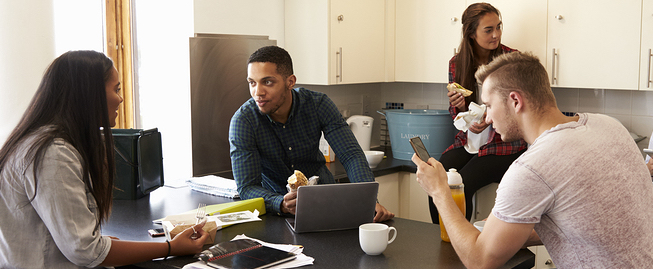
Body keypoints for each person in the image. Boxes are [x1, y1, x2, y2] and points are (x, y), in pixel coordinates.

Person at [413, 51, 653, 268]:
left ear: (515, 101)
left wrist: (439, 191)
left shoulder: (532, 168)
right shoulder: (609, 125)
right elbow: (590, 220)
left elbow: (479, 260)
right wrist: (514, 226)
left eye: (489, 105)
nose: (486, 117)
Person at [0, 51, 209, 268]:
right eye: (116, 89)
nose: (120, 98)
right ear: (90, 95)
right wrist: (171, 247)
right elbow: (86, 251)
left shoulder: (46, 142)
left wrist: (107, 245)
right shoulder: (54, 154)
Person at [229, 46, 394, 222]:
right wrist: (280, 203)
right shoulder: (244, 121)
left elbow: (351, 155)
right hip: (276, 211)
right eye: (252, 82)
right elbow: (247, 187)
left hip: (326, 200)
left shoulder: (318, 104)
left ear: (290, 82)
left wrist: (368, 200)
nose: (258, 92)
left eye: (267, 82)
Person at [428, 2, 528, 223]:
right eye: (488, 29)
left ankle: (465, 245)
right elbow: (458, 116)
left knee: (464, 182)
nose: (496, 34)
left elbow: (521, 109)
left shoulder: (512, 61)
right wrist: (461, 108)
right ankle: (441, 239)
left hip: (504, 146)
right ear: (471, 33)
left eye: (498, 27)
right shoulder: (457, 64)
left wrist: (491, 119)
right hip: (468, 141)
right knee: (437, 175)